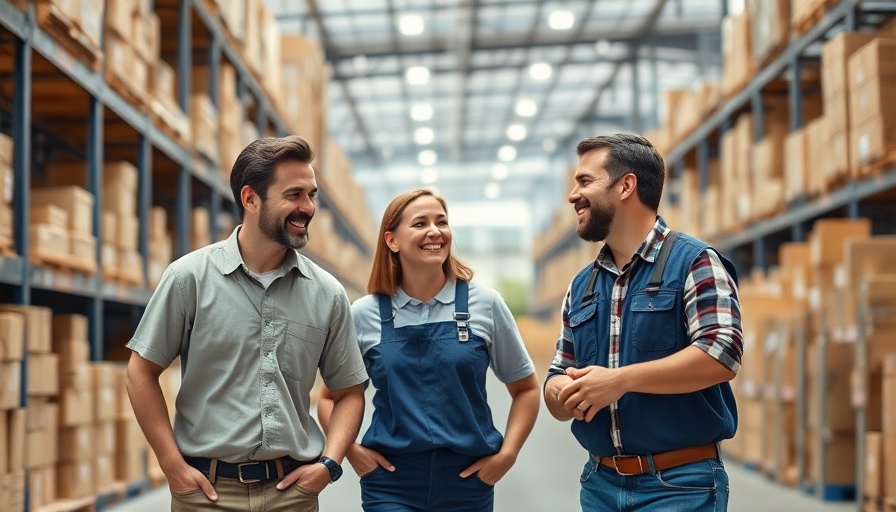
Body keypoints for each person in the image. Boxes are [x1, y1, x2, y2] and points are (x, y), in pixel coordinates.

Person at [125, 136, 368, 512]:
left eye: (312, 195)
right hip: (207, 495)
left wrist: (329, 464)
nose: (308, 207)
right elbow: (140, 372)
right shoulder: (189, 278)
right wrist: (171, 465)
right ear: (251, 199)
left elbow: (349, 391)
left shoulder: (327, 293)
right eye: (294, 195)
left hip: (293, 495)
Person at [543, 134, 743, 511]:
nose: (573, 195)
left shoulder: (694, 262)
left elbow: (722, 353)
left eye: (585, 181)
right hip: (599, 484)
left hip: (678, 486)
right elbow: (558, 372)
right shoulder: (582, 285)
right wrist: (561, 392)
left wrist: (618, 381)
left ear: (626, 185)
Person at [317, 188, 540, 511]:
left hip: (468, 480)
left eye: (442, 222)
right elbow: (328, 397)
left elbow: (526, 390)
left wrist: (507, 455)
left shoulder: (485, 304)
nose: (435, 232)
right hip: (392, 481)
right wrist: (350, 451)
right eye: (420, 224)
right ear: (392, 241)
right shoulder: (364, 314)